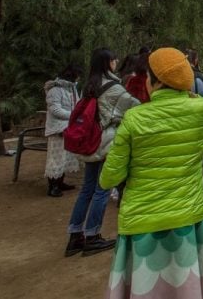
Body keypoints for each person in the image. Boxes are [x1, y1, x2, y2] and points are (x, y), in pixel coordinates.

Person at [100, 47, 203, 299]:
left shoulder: (134, 119)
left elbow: (109, 179)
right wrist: (191, 98)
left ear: (155, 82)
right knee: (187, 287)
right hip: (188, 220)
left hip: (143, 222)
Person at [65, 48, 139, 257]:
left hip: (89, 141)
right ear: (108, 63)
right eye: (113, 59)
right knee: (102, 188)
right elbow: (135, 106)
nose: (116, 61)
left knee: (87, 188)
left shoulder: (89, 86)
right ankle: (93, 235)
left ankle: (75, 233)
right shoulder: (114, 88)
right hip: (105, 142)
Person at [44, 63, 81, 197]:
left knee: (65, 157)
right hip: (57, 129)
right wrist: (73, 115)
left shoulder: (72, 89)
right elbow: (55, 110)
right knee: (56, 157)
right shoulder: (55, 90)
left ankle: (60, 182)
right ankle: (52, 185)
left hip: (68, 127)